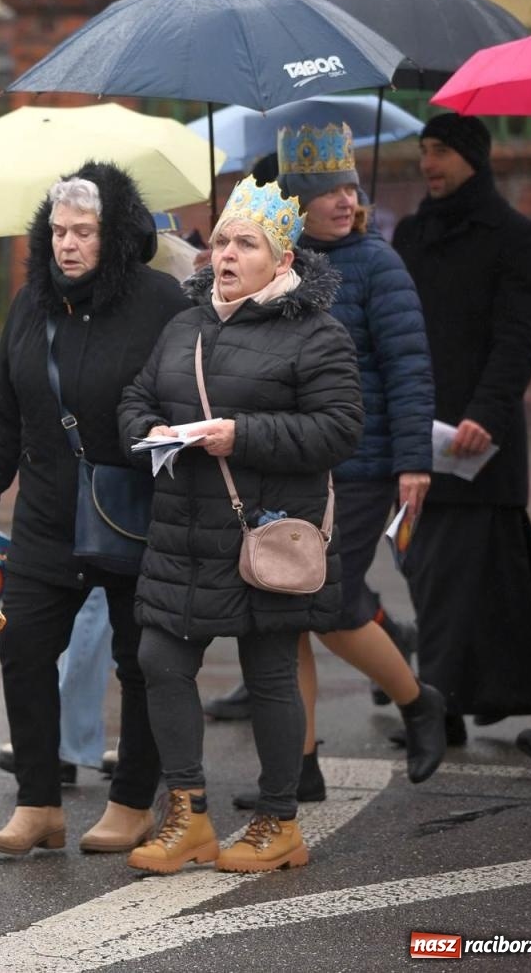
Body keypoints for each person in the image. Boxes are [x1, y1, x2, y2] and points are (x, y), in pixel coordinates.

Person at [119, 177, 364, 874]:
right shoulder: (184, 324)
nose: (225, 254)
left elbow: (339, 429)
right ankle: (189, 814)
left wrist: (241, 434)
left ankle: (279, 821)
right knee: (160, 660)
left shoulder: (316, 333)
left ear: (281, 260)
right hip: (182, 534)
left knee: (270, 675)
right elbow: (135, 398)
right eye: (221, 240)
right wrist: (151, 429)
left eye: (244, 244)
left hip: (267, 531)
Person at [0, 163, 188, 858]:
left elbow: (184, 405)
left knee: (138, 658)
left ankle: (130, 801)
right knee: (25, 646)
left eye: (83, 231)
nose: (66, 245)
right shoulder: (32, 303)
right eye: (57, 231)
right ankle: (38, 804)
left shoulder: (161, 302)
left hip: (132, 511)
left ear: (113, 233)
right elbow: (2, 413)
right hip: (48, 513)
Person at [217, 123, 448, 810]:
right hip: (291, 462)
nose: (344, 201)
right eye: (327, 190)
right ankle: (298, 768)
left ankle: (418, 699)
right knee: (286, 603)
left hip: (365, 462)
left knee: (332, 605)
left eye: (350, 187)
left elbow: (410, 366)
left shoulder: (380, 265)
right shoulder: (278, 264)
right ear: (298, 200)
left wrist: (413, 460)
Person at [392, 113, 531, 741]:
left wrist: (486, 416)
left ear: (473, 155)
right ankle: (452, 700)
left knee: (450, 577)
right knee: (426, 567)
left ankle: (435, 710)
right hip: (418, 433)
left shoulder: (517, 237)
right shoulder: (411, 235)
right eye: (423, 151)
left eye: (440, 151)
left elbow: (519, 340)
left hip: (475, 445)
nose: (427, 163)